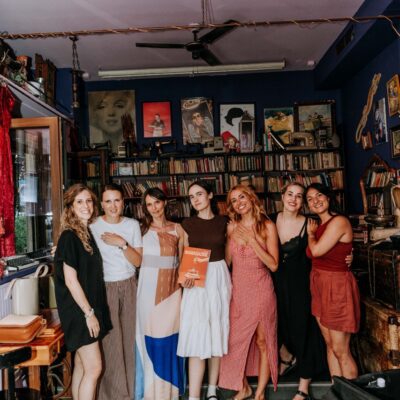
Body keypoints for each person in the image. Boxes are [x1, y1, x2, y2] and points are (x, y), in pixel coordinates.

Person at [219, 184, 279, 400]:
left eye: (242, 197)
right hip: (238, 292)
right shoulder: (231, 228)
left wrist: (253, 241)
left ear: (251, 198)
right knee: (231, 341)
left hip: (261, 289)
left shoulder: (267, 226)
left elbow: (274, 265)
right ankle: (243, 387)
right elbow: (226, 263)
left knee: (263, 341)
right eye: (234, 200)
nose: (238, 203)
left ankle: (260, 393)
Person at [54, 184, 111, 400]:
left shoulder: (84, 233)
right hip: (80, 311)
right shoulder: (69, 236)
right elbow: (70, 280)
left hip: (86, 307)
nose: (86, 206)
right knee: (94, 368)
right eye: (79, 201)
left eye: (88, 201)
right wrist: (89, 314)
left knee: (81, 364)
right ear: (70, 207)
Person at [177, 180, 232, 400]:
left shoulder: (224, 222)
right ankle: (194, 395)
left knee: (216, 332)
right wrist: (184, 278)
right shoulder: (187, 224)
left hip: (218, 278)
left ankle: (211, 390)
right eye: (191, 197)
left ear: (210, 195)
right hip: (196, 279)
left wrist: (221, 275)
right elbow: (182, 255)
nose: (195, 200)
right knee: (197, 334)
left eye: (199, 194)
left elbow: (228, 256)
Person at [272, 182, 327, 400]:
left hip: (301, 286)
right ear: (282, 196)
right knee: (276, 326)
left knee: (302, 330)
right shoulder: (269, 220)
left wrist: (347, 258)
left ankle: (303, 386)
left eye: (299, 196)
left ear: (303, 201)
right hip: (274, 284)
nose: (293, 199)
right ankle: (287, 359)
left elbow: (329, 248)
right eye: (290, 194)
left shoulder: (311, 224)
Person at [90, 183, 143, 400]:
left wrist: (122, 244)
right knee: (110, 345)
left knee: (130, 341)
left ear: (123, 202)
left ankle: (131, 393)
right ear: (101, 204)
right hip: (105, 288)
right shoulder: (93, 225)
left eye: (117, 200)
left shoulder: (132, 225)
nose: (113, 206)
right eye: (108, 201)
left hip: (129, 285)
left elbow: (138, 261)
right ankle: (112, 396)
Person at [305, 183, 360, 380]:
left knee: (340, 349)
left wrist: (310, 235)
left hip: (336, 286)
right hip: (319, 284)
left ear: (328, 198)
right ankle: (337, 390)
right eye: (310, 199)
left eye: (319, 195)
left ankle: (352, 393)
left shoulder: (338, 221)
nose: (315, 201)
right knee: (330, 345)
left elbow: (316, 251)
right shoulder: (319, 225)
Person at [135, 187, 186, 399]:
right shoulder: (140, 230)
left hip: (172, 294)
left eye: (157, 202)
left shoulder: (179, 229)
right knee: (150, 341)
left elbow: (184, 263)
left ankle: (169, 393)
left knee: (169, 342)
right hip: (147, 294)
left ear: (164, 202)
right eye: (149, 204)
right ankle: (150, 393)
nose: (154, 208)